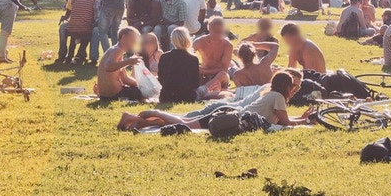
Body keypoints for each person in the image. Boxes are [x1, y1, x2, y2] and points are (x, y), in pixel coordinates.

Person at [118, 71, 312, 131]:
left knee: (184, 122)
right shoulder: (277, 96)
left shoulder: (271, 93)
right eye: (293, 86)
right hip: (227, 113)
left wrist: (300, 118)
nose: (294, 90)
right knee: (184, 122)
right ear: (286, 86)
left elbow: (282, 119)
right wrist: (304, 120)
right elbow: (286, 123)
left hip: (228, 111)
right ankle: (154, 112)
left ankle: (136, 121)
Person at [60, 0, 103, 66]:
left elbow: (68, 12)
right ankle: (80, 55)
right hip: (85, 28)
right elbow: (96, 15)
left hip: (71, 26)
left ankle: (66, 55)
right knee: (89, 32)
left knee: (70, 31)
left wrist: (66, 18)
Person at [157, 27, 203, 103]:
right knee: (205, 89)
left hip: (166, 96)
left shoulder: (164, 57)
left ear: (172, 40)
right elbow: (195, 83)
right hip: (187, 96)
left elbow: (161, 79)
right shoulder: (193, 59)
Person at [97, 26, 143, 101]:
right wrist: (128, 61)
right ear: (124, 37)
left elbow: (124, 78)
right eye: (133, 40)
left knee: (140, 89)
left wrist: (139, 84)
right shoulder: (117, 50)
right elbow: (108, 67)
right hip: (114, 94)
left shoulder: (115, 50)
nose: (134, 43)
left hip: (105, 95)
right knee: (140, 93)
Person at [192, 16, 236, 92]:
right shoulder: (200, 41)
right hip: (203, 76)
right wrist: (197, 69)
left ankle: (201, 91)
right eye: (216, 32)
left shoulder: (227, 45)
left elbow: (224, 69)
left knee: (223, 75)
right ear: (209, 28)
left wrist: (204, 71)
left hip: (219, 77)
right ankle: (201, 90)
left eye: (221, 32)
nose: (218, 35)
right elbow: (186, 56)